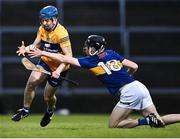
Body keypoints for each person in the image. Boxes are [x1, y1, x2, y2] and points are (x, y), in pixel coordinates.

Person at [28, 34, 180, 128]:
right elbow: (134, 66)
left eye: (88, 46)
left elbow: (63, 58)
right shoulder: (111, 53)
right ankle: (152, 120)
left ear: (93, 48)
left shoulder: (90, 61)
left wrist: (41, 52)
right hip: (139, 86)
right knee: (159, 122)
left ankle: (147, 121)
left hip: (129, 92)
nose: (86, 48)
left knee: (113, 125)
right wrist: (127, 77)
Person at [12, 5, 73, 127]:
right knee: (31, 83)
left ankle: (50, 110)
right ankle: (25, 110)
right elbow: (36, 45)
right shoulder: (42, 29)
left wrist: (58, 71)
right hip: (45, 62)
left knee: (47, 97)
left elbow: (69, 57)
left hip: (59, 67)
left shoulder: (61, 33)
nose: (44, 23)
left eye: (47, 20)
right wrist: (27, 48)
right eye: (42, 20)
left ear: (54, 19)